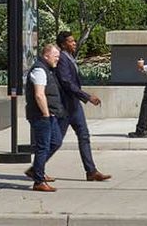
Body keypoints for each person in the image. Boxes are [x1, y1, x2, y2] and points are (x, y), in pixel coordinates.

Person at [55, 31, 110, 182]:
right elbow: (66, 83)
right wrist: (87, 96)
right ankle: (37, 169)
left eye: (74, 41)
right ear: (63, 44)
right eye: (71, 41)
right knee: (56, 140)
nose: (74, 43)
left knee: (84, 136)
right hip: (66, 107)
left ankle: (91, 171)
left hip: (75, 106)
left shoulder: (70, 57)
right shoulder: (62, 60)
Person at [25, 42, 64, 192]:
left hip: (50, 115)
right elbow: (39, 94)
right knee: (43, 147)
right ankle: (38, 181)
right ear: (46, 55)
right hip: (41, 116)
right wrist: (46, 114)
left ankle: (36, 170)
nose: (57, 59)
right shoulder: (39, 70)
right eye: (55, 56)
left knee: (56, 141)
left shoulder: (47, 69)